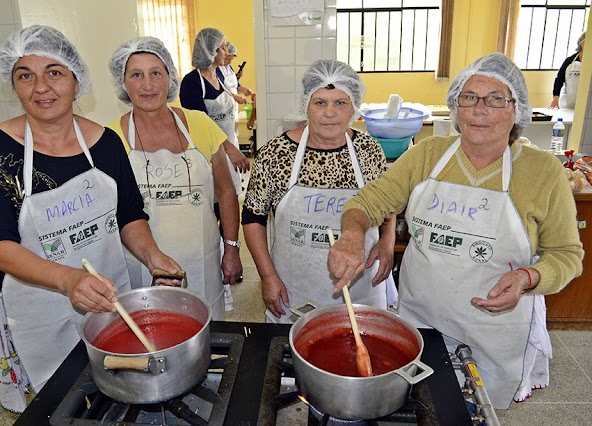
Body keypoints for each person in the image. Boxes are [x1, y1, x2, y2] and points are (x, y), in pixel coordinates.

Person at [328, 52, 584, 409]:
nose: (480, 109)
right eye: (469, 97)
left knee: (474, 411)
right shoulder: (429, 154)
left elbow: (567, 255)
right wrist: (352, 235)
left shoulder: (543, 172)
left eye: (496, 99)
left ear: (516, 111)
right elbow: (369, 201)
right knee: (424, 405)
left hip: (495, 328)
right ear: (455, 107)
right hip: (423, 320)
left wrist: (529, 276)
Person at [0, 26, 183, 412]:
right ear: (13, 85)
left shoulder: (104, 143)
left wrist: (151, 256)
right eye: (25, 75)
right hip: (39, 307)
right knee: (61, 403)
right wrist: (68, 280)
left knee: (115, 390)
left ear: (75, 79)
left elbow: (129, 215)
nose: (40, 87)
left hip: (107, 295)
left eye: (54, 72)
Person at [242, 59, 398, 324]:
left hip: (361, 285)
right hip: (296, 287)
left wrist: (387, 242)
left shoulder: (368, 151)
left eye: (340, 103)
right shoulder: (276, 154)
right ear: (306, 105)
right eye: (320, 103)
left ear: (355, 108)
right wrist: (268, 277)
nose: (330, 113)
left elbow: (388, 204)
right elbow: (252, 218)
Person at [108, 37, 243, 320]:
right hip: (140, 265)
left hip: (201, 259)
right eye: (136, 75)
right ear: (124, 83)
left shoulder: (198, 124)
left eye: (156, 73)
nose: (147, 84)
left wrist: (231, 249)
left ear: (169, 77)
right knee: (149, 334)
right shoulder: (109, 138)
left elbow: (227, 192)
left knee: (205, 334)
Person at [179, 28, 250, 196]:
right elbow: (200, 125)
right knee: (214, 205)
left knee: (229, 198)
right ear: (210, 51)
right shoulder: (192, 82)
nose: (226, 52)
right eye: (222, 48)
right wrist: (231, 150)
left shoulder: (219, 77)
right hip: (209, 155)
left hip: (228, 146)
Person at [548, 32, 585, 109]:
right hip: (568, 103)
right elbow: (559, 79)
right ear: (580, 43)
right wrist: (555, 97)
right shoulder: (569, 61)